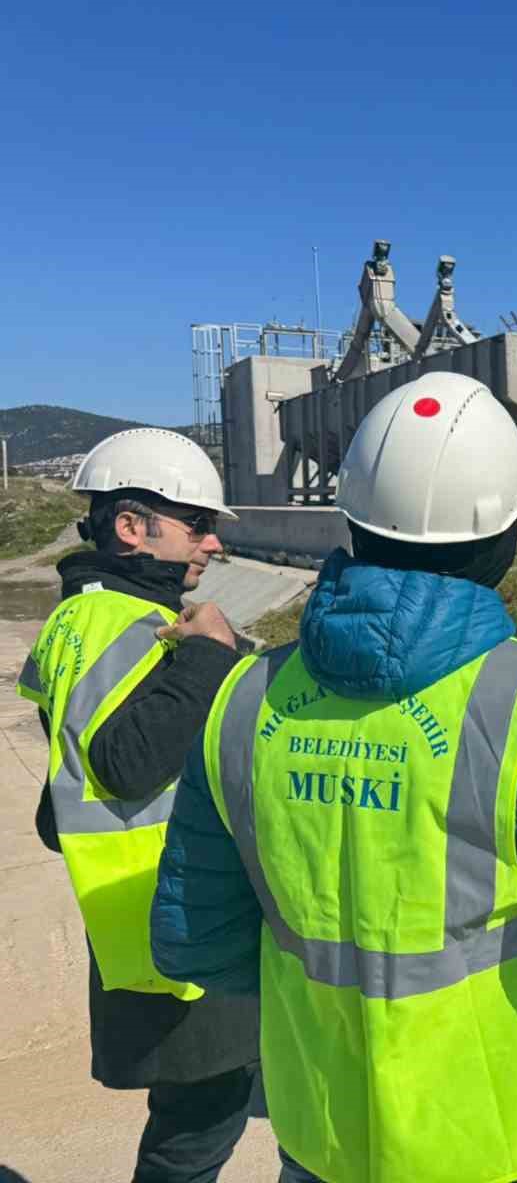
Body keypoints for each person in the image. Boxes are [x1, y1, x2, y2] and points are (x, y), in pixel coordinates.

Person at [150, 372, 517, 1183]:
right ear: (505, 534)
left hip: (327, 1134)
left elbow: (197, 942)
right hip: (512, 1136)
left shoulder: (244, 700)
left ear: (354, 523)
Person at [16, 428, 264, 1183]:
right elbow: (124, 763)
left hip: (151, 918)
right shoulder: (116, 621)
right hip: (177, 920)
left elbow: (61, 802)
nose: (214, 544)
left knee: (201, 1117)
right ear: (131, 528)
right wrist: (211, 655)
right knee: (198, 1131)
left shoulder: (81, 616)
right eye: (199, 524)